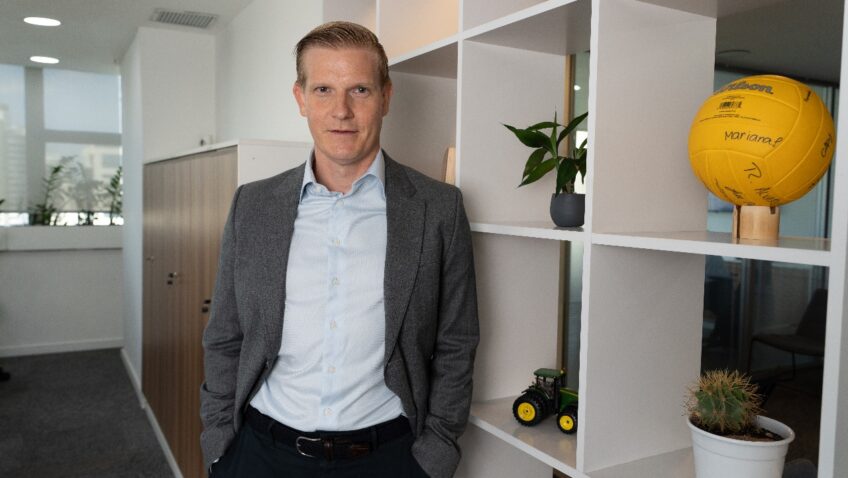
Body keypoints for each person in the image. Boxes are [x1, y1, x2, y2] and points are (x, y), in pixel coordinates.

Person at [200, 21, 479, 478]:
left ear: (386, 97)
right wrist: (218, 444)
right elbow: (225, 335)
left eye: (360, 90)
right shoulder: (252, 205)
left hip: (391, 459)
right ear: (301, 98)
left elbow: (457, 340)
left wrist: (437, 453)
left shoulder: (438, 209)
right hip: (259, 453)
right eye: (324, 89)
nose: (341, 111)